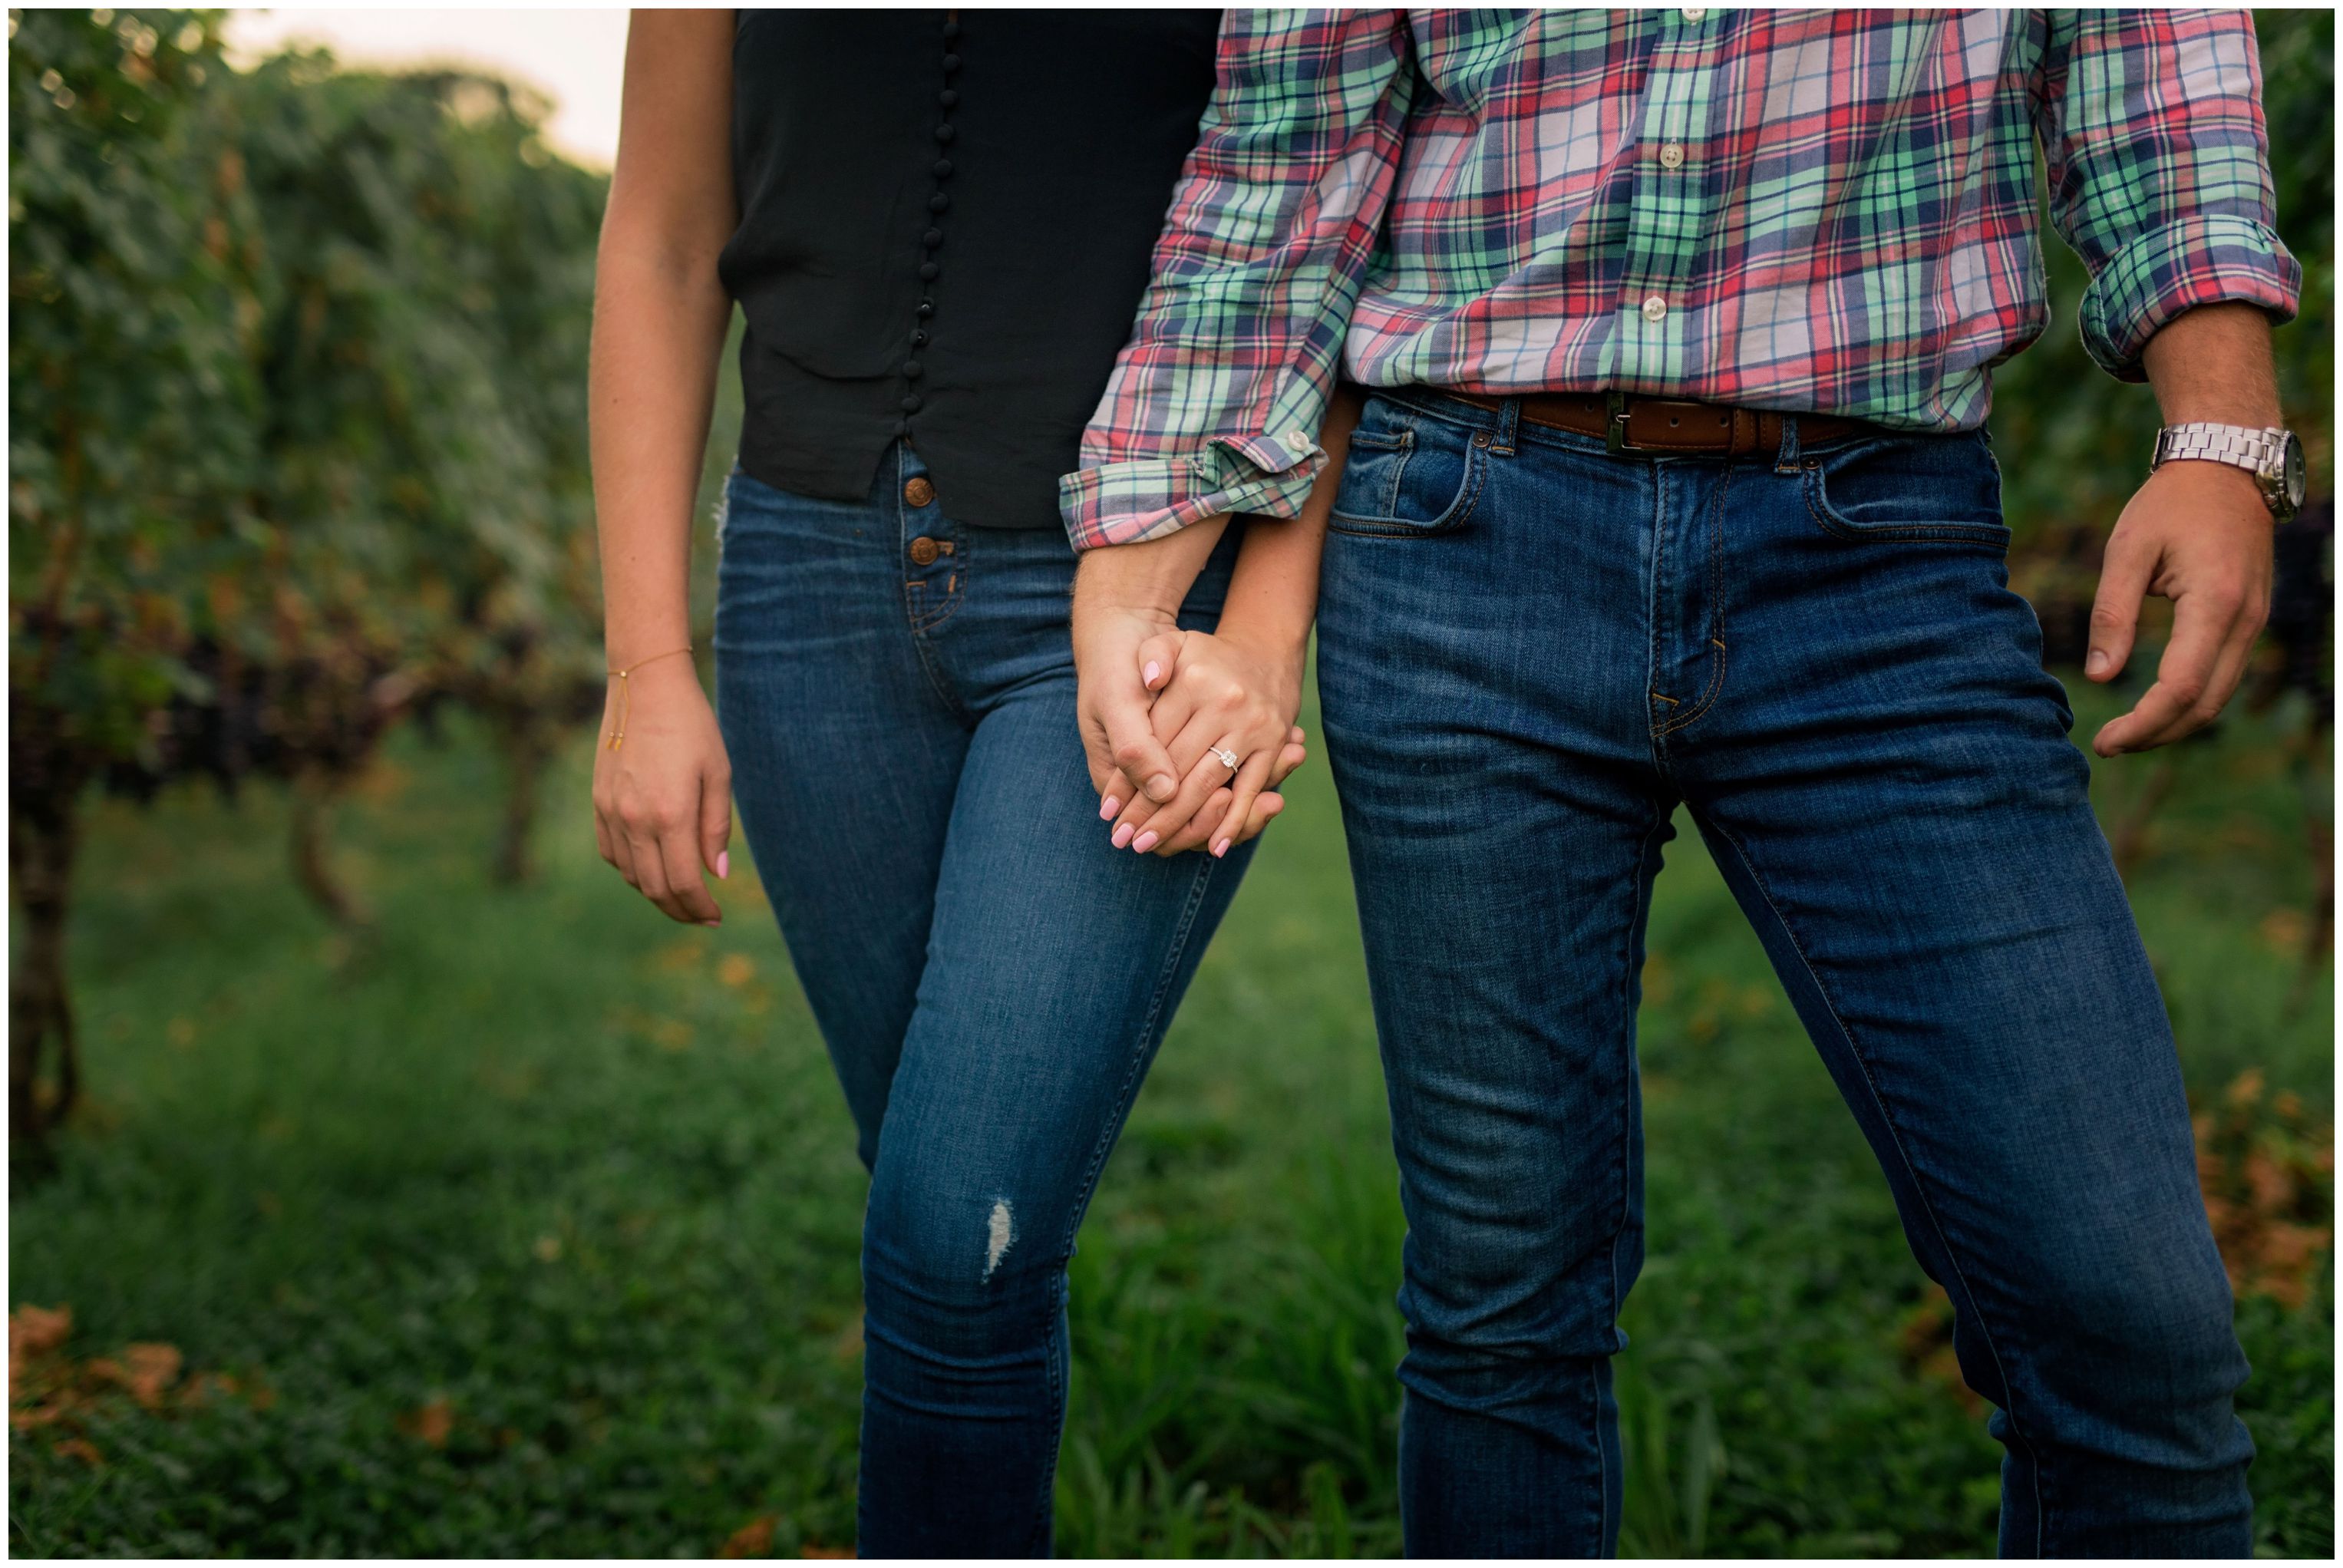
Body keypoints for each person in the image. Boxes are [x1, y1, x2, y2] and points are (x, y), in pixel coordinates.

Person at [1067, 12, 2302, 1557]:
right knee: (1503, 1304)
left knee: (2126, 1310)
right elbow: (1282, 166)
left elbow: (2150, 41)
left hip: (1880, 560)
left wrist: (2223, 426)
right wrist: (1129, 586)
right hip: (1463, 532)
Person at [586, 11, 1338, 1554]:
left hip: (1127, 598)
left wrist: (1267, 629)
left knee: (960, 1230)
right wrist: (647, 666)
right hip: (807, 588)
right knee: (938, 1198)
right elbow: (663, 240)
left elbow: (1323, 229)